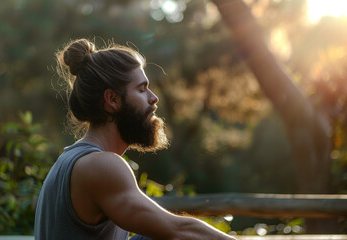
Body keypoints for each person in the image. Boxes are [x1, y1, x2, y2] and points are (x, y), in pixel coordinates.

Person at [34, 38, 237, 240]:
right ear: (112, 99)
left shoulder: (75, 160)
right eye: (141, 89)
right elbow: (178, 231)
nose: (154, 98)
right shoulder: (99, 165)